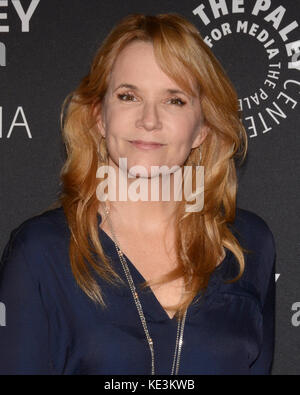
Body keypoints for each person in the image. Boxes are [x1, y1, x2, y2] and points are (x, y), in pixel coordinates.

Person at [0, 13, 276, 375]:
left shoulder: (249, 245)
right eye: (128, 96)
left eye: (174, 100)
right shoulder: (41, 251)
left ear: (202, 129)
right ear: (100, 116)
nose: (149, 120)